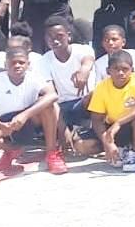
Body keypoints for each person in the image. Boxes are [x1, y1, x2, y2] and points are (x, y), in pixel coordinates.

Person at [0, 42, 66, 176]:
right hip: (4, 122)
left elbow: (53, 95)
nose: (17, 65)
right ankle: (10, 150)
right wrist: (2, 125)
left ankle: (52, 154)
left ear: (28, 64)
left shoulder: (33, 77)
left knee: (49, 106)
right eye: (13, 63)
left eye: (21, 62)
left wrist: (24, 115)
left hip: (29, 120)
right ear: (5, 65)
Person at [84, 51, 135, 172]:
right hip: (113, 128)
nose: (121, 73)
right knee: (82, 146)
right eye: (116, 69)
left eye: (125, 69)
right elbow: (96, 119)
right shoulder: (101, 87)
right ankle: (119, 149)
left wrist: (119, 123)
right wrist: (107, 142)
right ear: (108, 71)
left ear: (132, 70)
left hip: (134, 125)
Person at [37, 16, 96, 150]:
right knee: (45, 102)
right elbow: (51, 94)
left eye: (59, 36)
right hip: (63, 107)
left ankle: (96, 134)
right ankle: (56, 144)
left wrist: (83, 71)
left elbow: (88, 61)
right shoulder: (44, 60)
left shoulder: (83, 49)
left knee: (96, 94)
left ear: (69, 36)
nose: (55, 40)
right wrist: (62, 128)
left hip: (85, 102)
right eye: (50, 37)